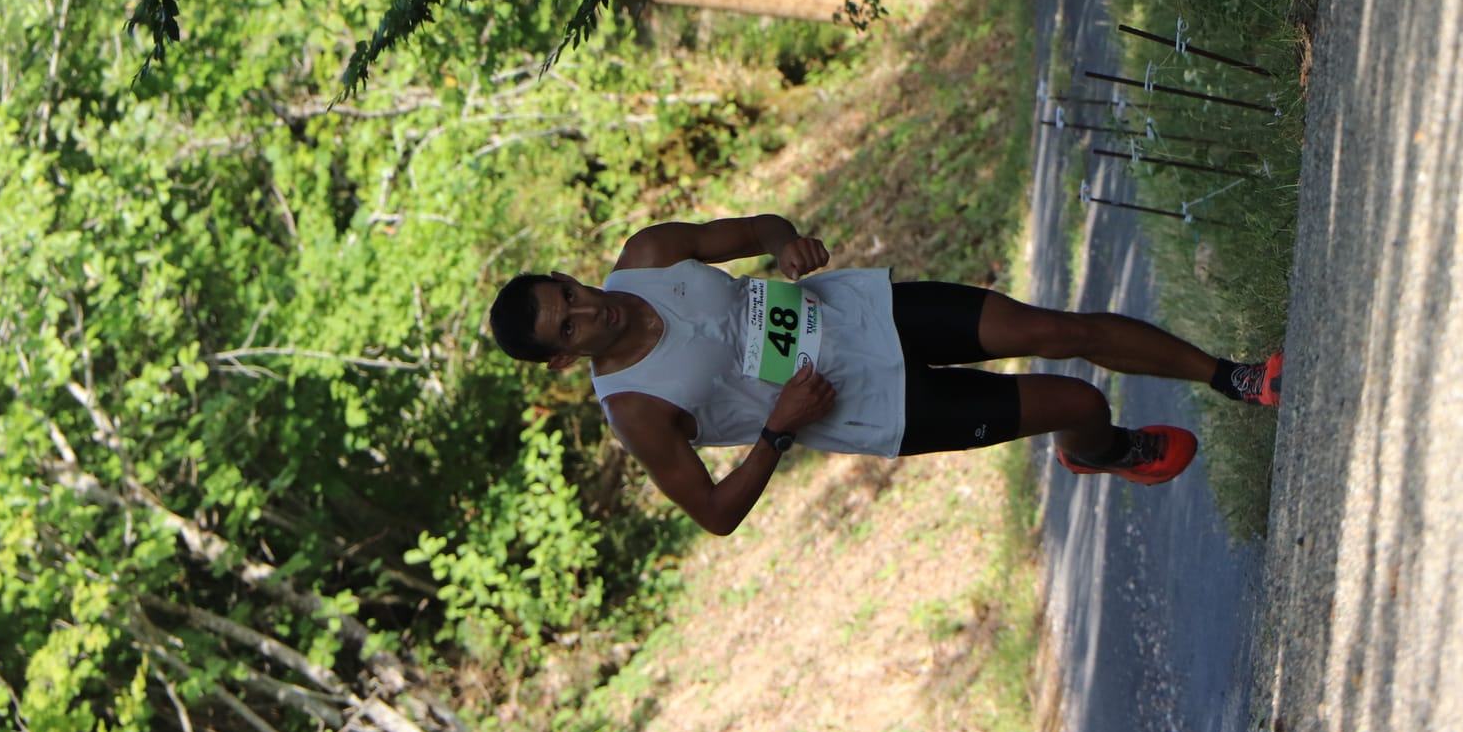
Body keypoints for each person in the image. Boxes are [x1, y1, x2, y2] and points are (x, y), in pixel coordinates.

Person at [487, 214, 1282, 535]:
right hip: (875, 403)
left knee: (1055, 328)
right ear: (562, 358)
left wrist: (786, 245)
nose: (589, 309)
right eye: (570, 325)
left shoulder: (649, 254)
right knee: (1080, 400)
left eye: (570, 293)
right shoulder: (635, 410)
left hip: (868, 313)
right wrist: (777, 431)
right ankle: (1099, 449)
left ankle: (1234, 377)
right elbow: (715, 512)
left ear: (568, 276)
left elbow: (761, 229)